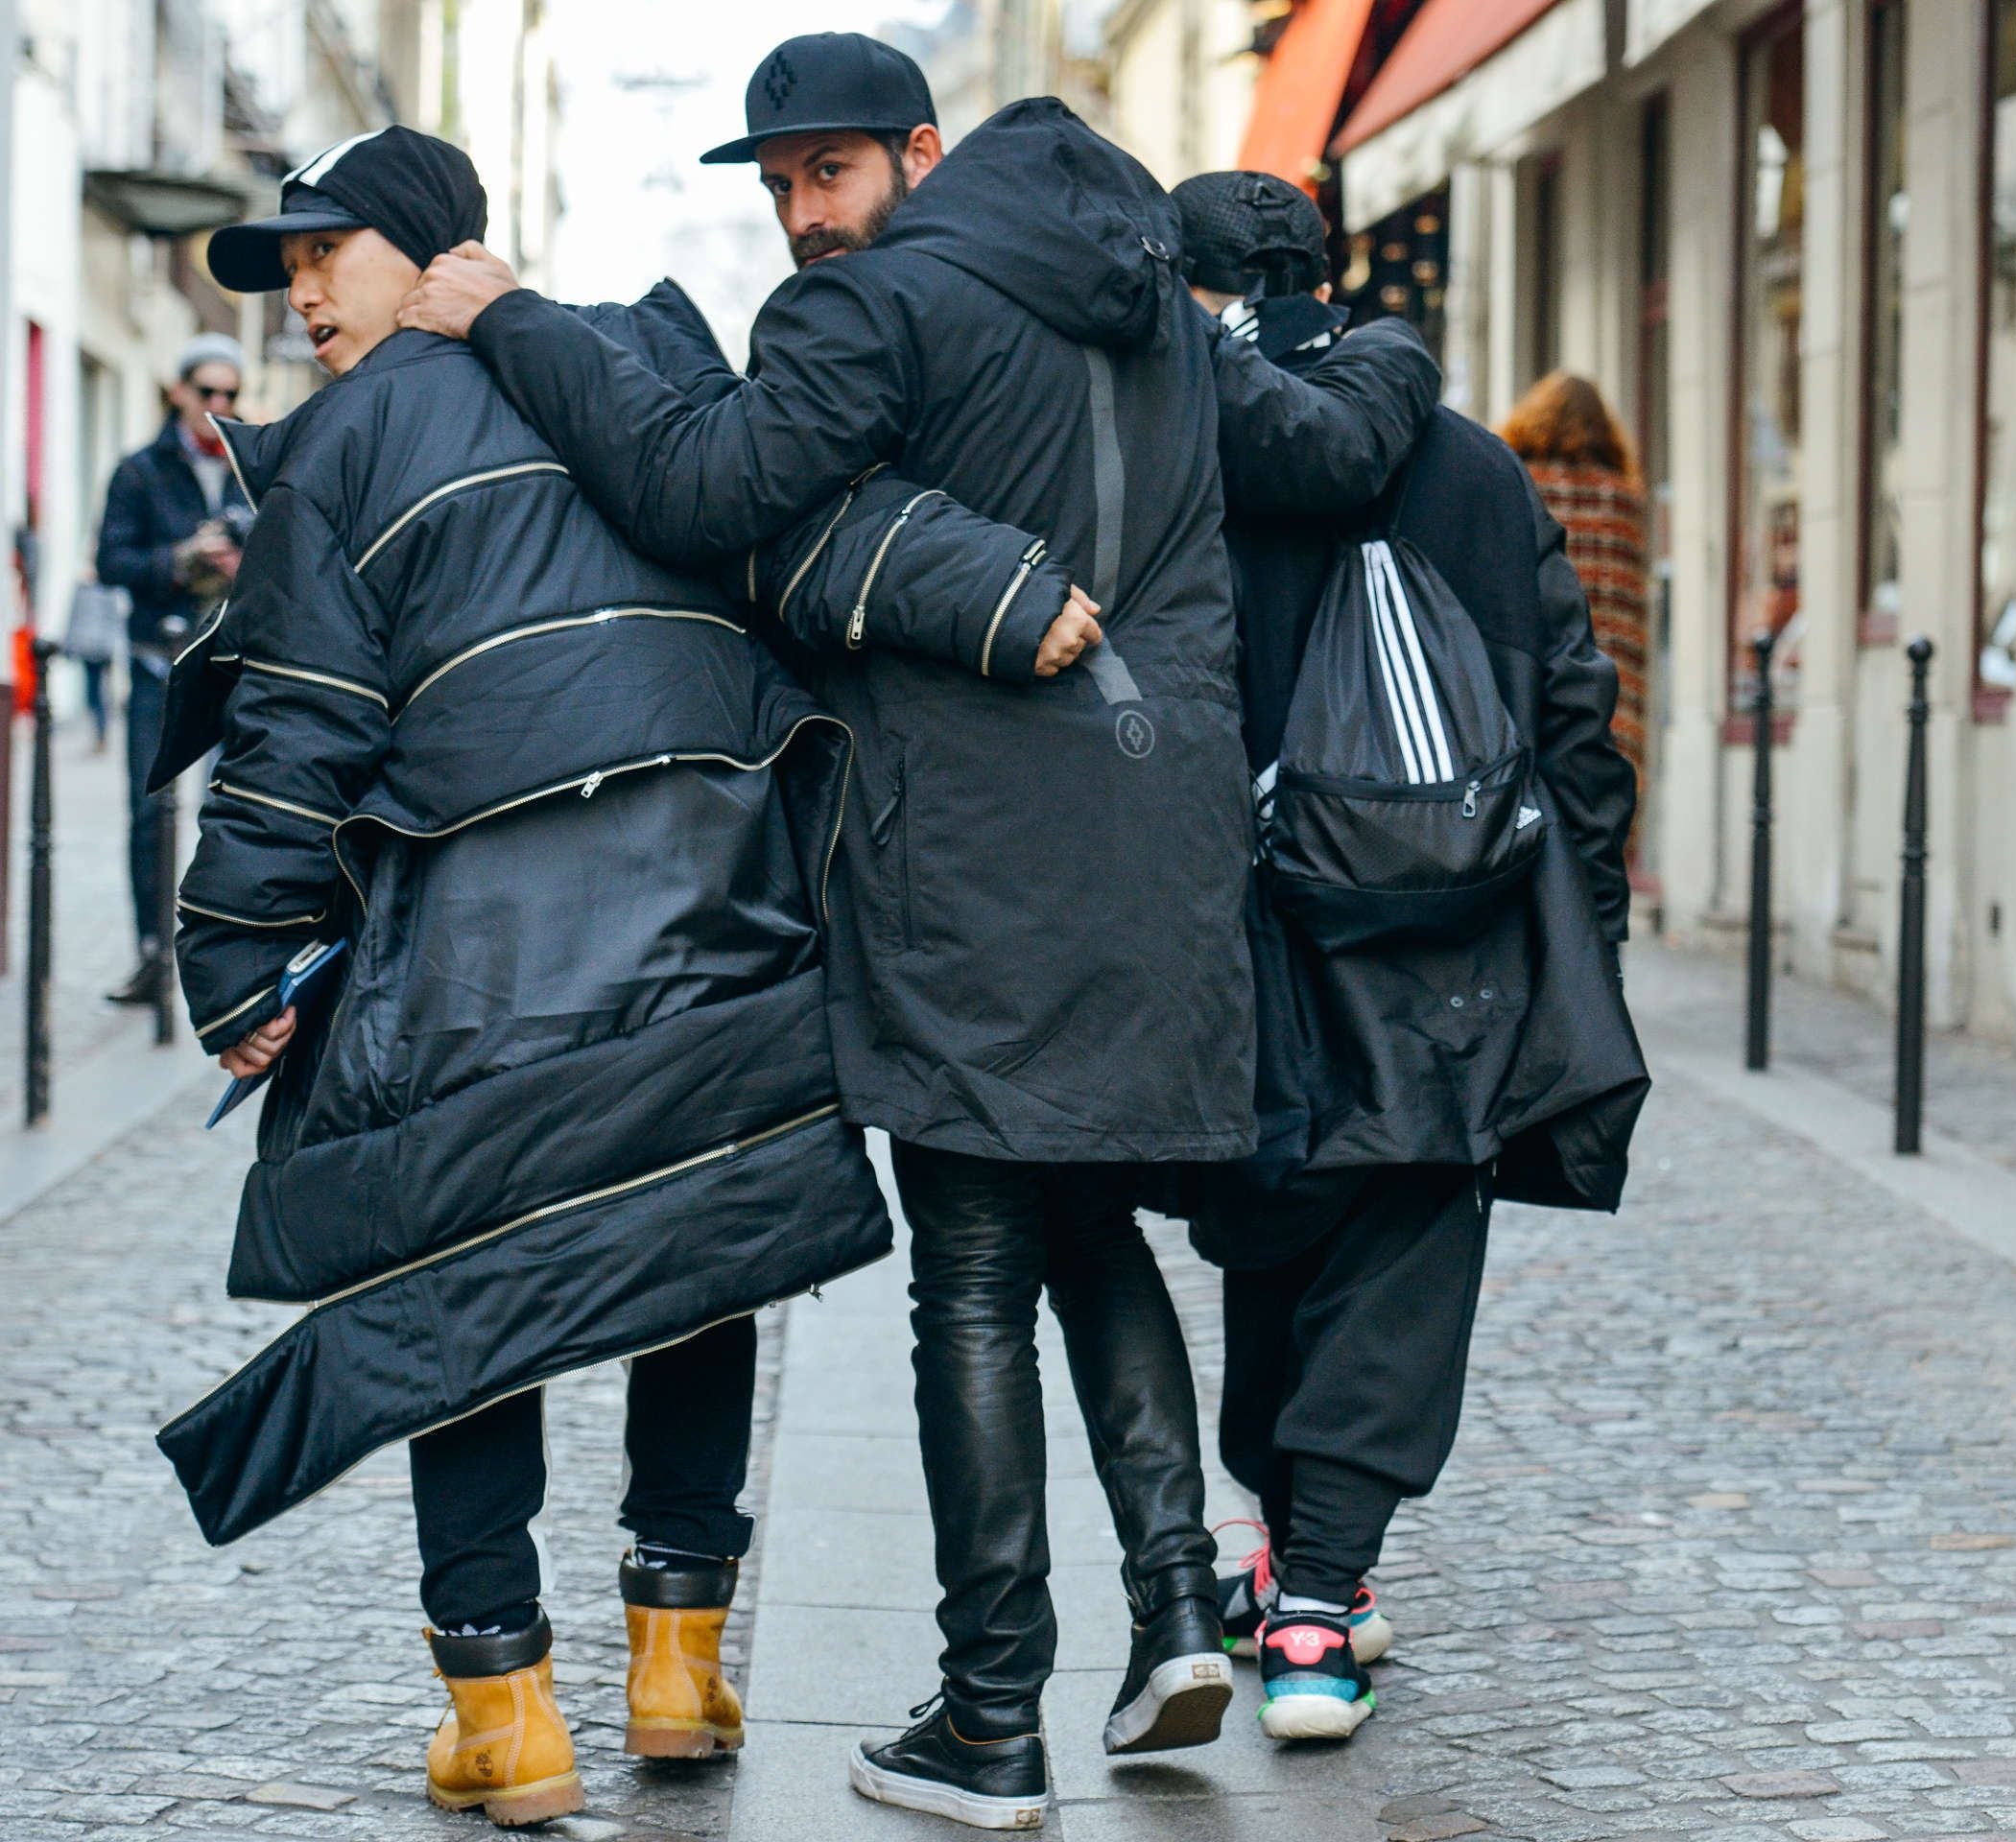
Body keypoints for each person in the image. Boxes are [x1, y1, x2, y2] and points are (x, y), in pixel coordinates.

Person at [397, 35, 1443, 1829]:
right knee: (1091, 1213)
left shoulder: (869, 316)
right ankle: (1182, 1608)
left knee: (970, 1265)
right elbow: (1335, 446)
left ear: (923, 152)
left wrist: (512, 321)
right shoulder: (1158, 309)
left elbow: (700, 489)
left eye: (831, 173)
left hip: (978, 853)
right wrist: (1404, 346)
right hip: (1166, 836)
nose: (809, 214)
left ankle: (989, 1715)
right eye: (783, 184)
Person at [151, 126, 894, 1830]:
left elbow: (295, 730)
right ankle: (678, 1666)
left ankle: (507, 1716)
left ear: (425, 250)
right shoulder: (636, 363)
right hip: (717, 901)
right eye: (283, 268)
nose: (301, 291)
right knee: (695, 1245)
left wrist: (238, 956)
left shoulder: (347, 442)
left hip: (481, 946)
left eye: (326, 250)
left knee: (460, 1297)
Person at [1167, 171, 1649, 1741]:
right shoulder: (1469, 466)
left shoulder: (1179, 458)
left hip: (1252, 930)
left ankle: (1295, 1565)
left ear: (1190, 293)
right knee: (1410, 1227)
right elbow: (1572, 704)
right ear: (1326, 273)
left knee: (1275, 1229)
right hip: (1456, 928)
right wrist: (1589, 913)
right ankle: (1321, 1600)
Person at [95, 332, 249, 1004]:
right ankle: (153, 953)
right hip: (160, 663)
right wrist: (182, 559)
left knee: (240, 812)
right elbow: (111, 563)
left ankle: (229, 954)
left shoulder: (252, 464)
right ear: (180, 392)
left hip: (237, 663)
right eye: (208, 391)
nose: (218, 404)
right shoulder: (139, 471)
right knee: (149, 812)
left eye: (230, 394)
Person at [1502, 372, 1652, 802]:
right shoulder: (1622, 498)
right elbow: (1631, 608)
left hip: (1533, 669)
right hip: (1610, 681)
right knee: (1604, 803)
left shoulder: (1518, 485)